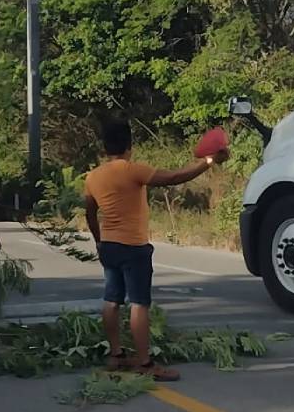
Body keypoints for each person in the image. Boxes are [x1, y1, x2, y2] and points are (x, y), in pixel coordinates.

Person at [84, 121, 228, 381]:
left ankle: (115, 355)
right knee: (139, 303)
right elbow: (174, 178)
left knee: (111, 300)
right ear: (129, 145)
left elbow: (90, 212)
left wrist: (98, 240)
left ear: (105, 147)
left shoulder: (92, 177)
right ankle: (144, 362)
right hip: (133, 246)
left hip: (109, 245)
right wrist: (208, 162)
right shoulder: (133, 170)